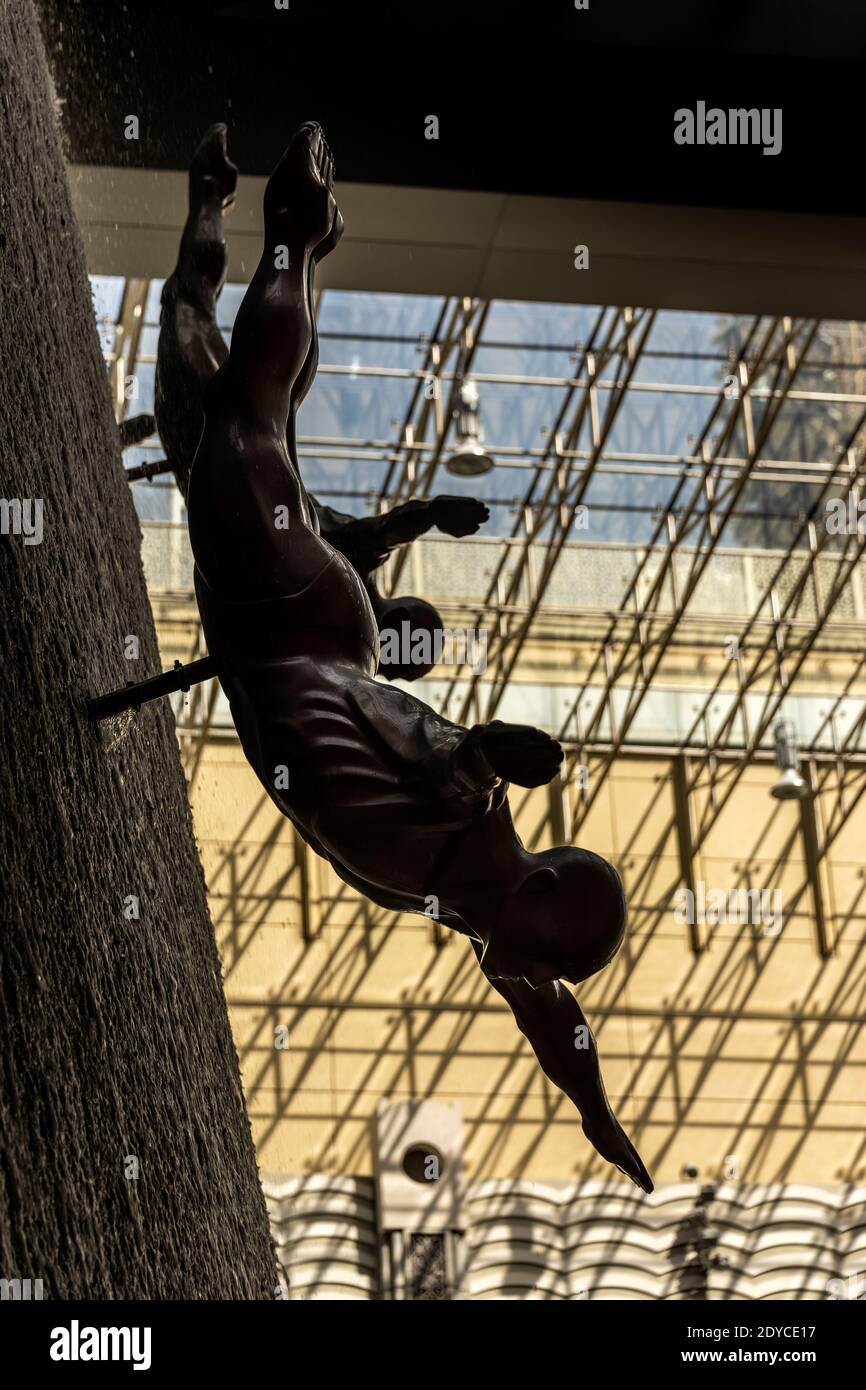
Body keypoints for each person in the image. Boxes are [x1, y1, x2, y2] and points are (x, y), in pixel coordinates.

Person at [185, 122, 652, 1192]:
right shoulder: (472, 818)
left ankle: (271, 243)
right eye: (545, 954)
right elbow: (450, 740)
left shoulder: (495, 925)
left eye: (543, 968)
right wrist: (501, 746)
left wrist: (595, 1116)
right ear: (540, 897)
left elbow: (555, 1027)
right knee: (251, 427)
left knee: (254, 422)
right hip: (290, 635)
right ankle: (295, 236)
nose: (533, 976)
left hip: (297, 640)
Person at [154, 123, 487, 682]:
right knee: (201, 314)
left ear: (403, 612)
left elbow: (377, 534)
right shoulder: (331, 641)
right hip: (226, 468)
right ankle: (259, 222)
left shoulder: (344, 589)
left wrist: (428, 515)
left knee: (191, 306)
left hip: (226, 459)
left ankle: (243, 210)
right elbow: (375, 536)